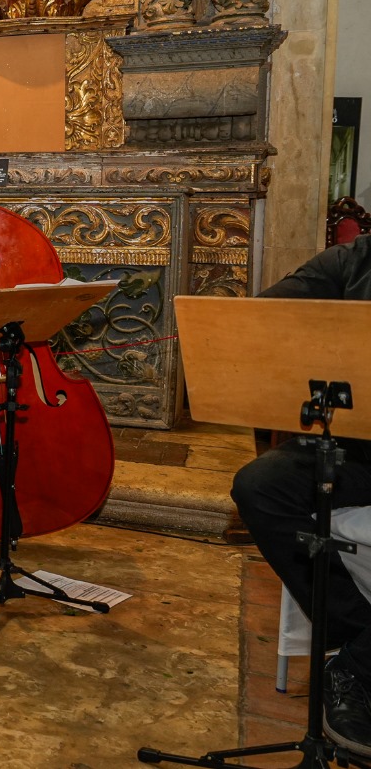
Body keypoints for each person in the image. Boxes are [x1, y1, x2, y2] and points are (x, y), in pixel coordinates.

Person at [231, 234, 371, 758]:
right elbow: (263, 316)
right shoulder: (351, 261)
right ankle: (356, 640)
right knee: (258, 486)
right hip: (357, 448)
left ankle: (356, 668)